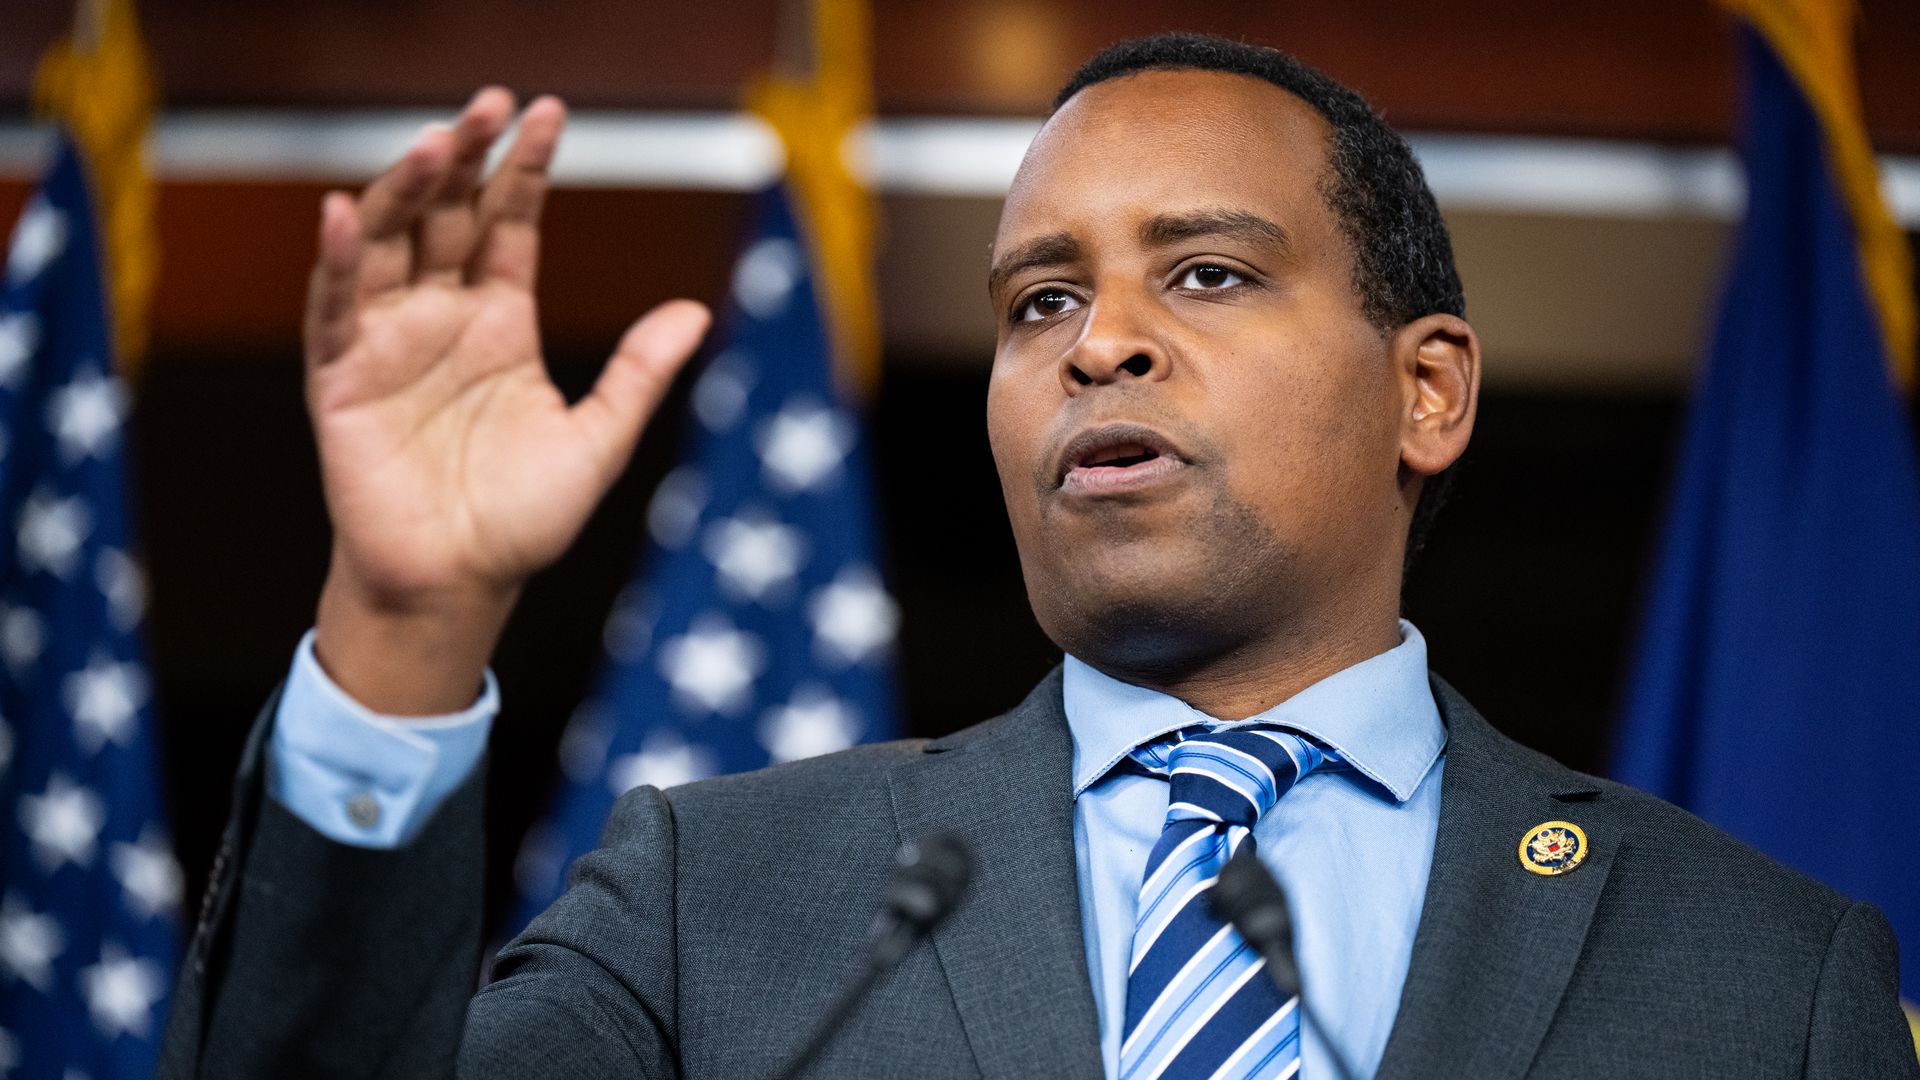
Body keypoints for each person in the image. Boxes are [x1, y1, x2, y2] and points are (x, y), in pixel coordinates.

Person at [158, 33, 1917, 1080]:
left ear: (1428, 390)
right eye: (1040, 301)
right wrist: (405, 624)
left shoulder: (1761, 975)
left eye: (1208, 275)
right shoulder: (719, 906)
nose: (1097, 345)